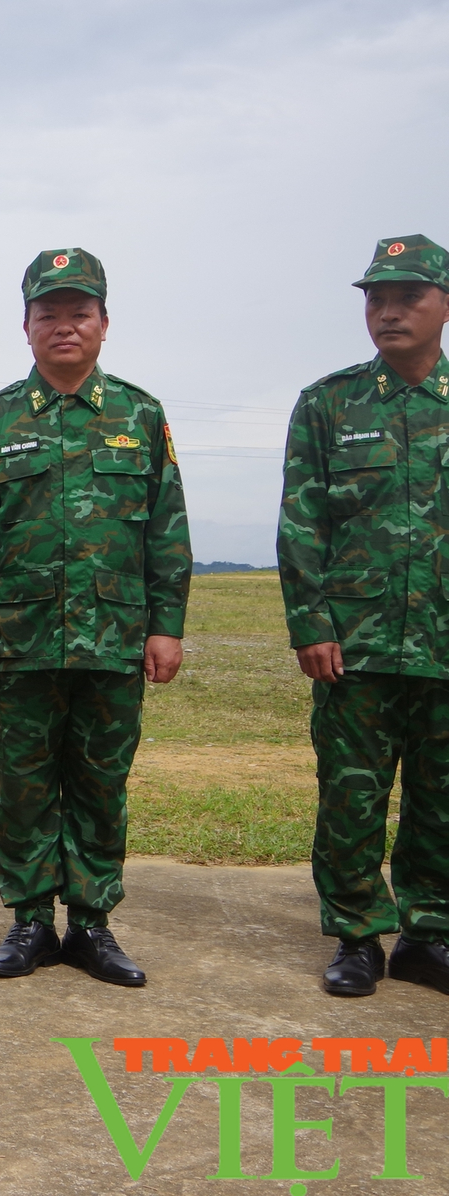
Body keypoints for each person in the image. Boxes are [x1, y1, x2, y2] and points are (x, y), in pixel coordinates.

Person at [0, 248, 190, 988]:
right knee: (21, 781)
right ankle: (28, 922)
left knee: (100, 781)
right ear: (26, 326)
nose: (63, 326)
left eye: (78, 313)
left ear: (104, 324)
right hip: (18, 641)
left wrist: (166, 623)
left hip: (114, 638)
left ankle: (91, 924)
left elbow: (166, 529)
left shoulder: (140, 416)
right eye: (47, 313)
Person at [279, 234, 449, 999]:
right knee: (350, 793)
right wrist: (312, 624)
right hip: (356, 644)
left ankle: (428, 934)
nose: (388, 312)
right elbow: (302, 522)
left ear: (444, 303)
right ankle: (355, 935)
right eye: (376, 298)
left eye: (407, 296)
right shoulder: (329, 403)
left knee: (442, 796)